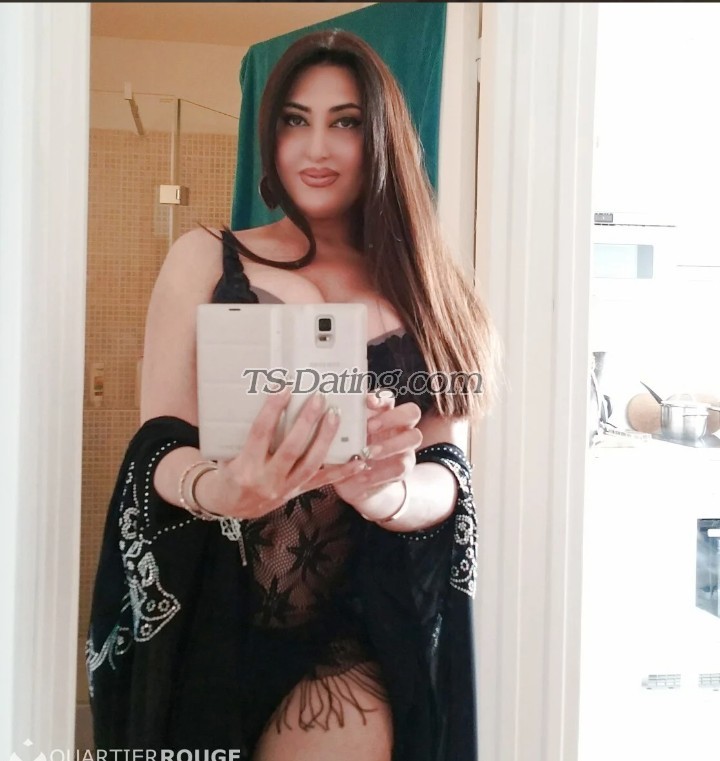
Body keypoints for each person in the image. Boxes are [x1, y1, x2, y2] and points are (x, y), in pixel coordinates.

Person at [86, 28, 499, 761]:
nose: (316, 147)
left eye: (346, 122)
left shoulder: (431, 287)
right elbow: (158, 445)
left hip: (364, 632)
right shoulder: (203, 258)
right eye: (294, 120)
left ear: (382, 138)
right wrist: (220, 489)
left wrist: (389, 494)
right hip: (211, 616)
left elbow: (449, 473)